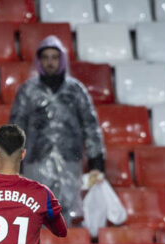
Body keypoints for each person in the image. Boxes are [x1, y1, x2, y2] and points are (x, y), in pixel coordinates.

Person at [9, 36, 104, 225]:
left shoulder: (76, 90)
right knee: (35, 208)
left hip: (70, 160)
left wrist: (96, 163)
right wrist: (13, 165)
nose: (50, 62)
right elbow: (15, 128)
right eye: (46, 57)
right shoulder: (27, 91)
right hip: (35, 160)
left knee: (66, 211)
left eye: (55, 57)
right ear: (39, 60)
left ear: (62, 60)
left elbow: (90, 126)